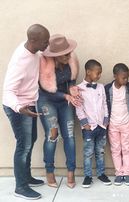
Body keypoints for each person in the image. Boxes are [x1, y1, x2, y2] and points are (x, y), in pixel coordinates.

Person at [2, 24, 50, 200]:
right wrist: (20, 108)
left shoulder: (35, 51)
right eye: (45, 42)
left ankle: (26, 177)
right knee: (24, 145)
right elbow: (8, 91)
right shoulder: (19, 61)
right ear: (33, 40)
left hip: (28, 104)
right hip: (17, 107)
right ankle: (20, 187)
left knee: (32, 140)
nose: (47, 44)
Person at [37, 34, 81, 189]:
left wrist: (73, 91)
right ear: (55, 55)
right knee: (52, 135)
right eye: (66, 54)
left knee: (69, 135)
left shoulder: (70, 61)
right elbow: (46, 90)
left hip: (65, 101)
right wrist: (66, 95)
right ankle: (50, 172)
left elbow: (71, 82)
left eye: (69, 52)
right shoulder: (44, 65)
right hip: (47, 101)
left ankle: (71, 172)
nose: (69, 55)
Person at [76, 59, 111, 188]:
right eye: (98, 72)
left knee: (100, 151)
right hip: (89, 127)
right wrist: (84, 124)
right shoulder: (79, 89)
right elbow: (79, 108)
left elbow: (105, 104)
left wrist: (106, 121)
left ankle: (101, 174)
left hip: (101, 126)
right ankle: (88, 176)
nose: (99, 75)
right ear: (88, 72)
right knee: (88, 152)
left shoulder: (101, 87)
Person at [105, 63, 129, 186]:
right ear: (115, 76)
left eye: (127, 77)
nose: (126, 80)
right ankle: (119, 173)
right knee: (115, 149)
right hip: (112, 124)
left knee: (127, 149)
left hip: (126, 124)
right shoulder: (108, 88)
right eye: (123, 77)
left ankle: (127, 173)